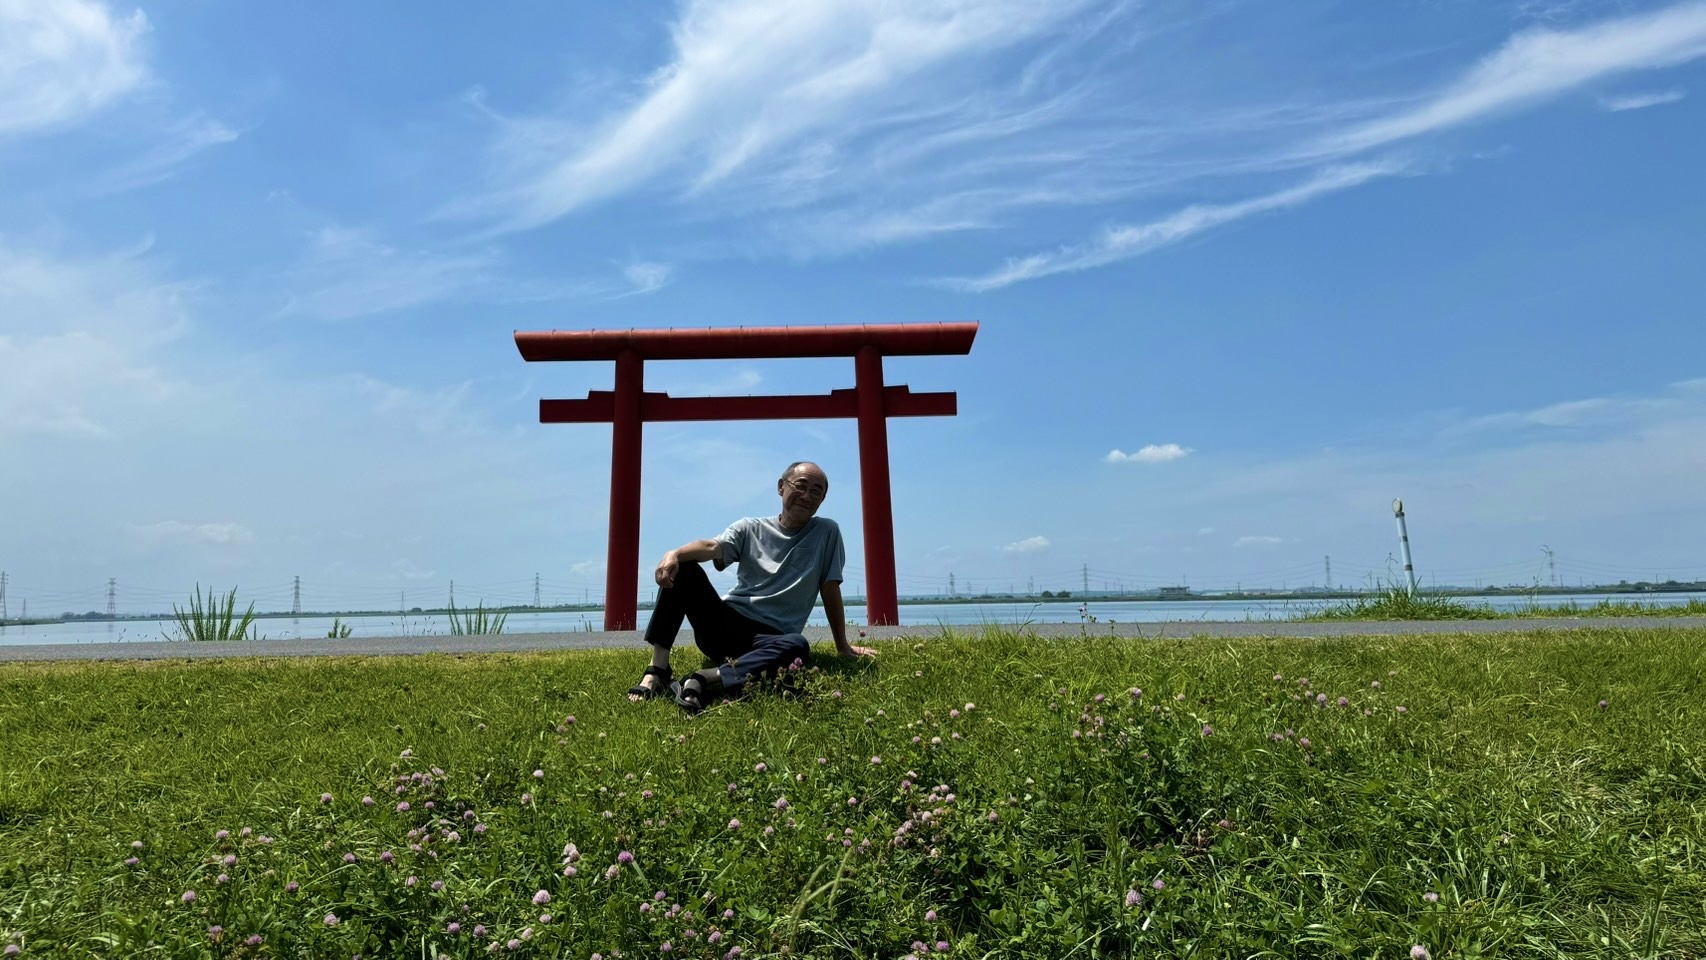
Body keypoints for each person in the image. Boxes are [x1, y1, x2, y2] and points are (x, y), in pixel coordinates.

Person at [627, 461, 877, 712]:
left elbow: (830, 587)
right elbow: (714, 547)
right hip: (726, 624)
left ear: (823, 499)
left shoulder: (826, 532)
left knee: (797, 645)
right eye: (800, 486)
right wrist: (674, 553)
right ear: (781, 487)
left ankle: (706, 677)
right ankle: (657, 670)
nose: (807, 496)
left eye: (816, 491)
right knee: (685, 568)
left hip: (771, 638)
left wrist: (842, 645)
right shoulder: (750, 527)